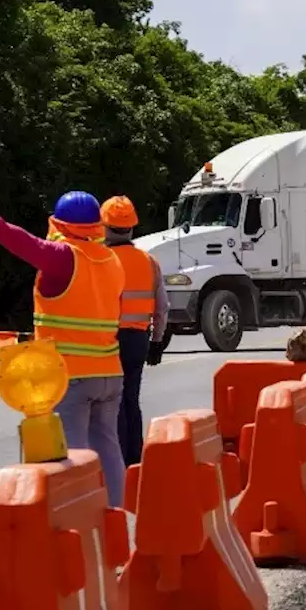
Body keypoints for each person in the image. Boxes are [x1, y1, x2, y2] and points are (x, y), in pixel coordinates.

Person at [0, 190, 127, 507]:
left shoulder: (63, 257)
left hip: (70, 376)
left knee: (73, 454)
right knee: (108, 447)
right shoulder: (111, 260)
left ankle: (79, 521)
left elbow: (21, 241)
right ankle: (115, 516)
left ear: (59, 223)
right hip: (109, 372)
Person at [100, 196, 168, 467]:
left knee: (112, 402)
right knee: (131, 398)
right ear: (132, 227)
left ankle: (118, 459)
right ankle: (135, 458)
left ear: (104, 226)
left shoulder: (103, 260)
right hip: (138, 340)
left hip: (109, 339)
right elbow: (162, 308)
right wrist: (157, 342)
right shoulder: (148, 261)